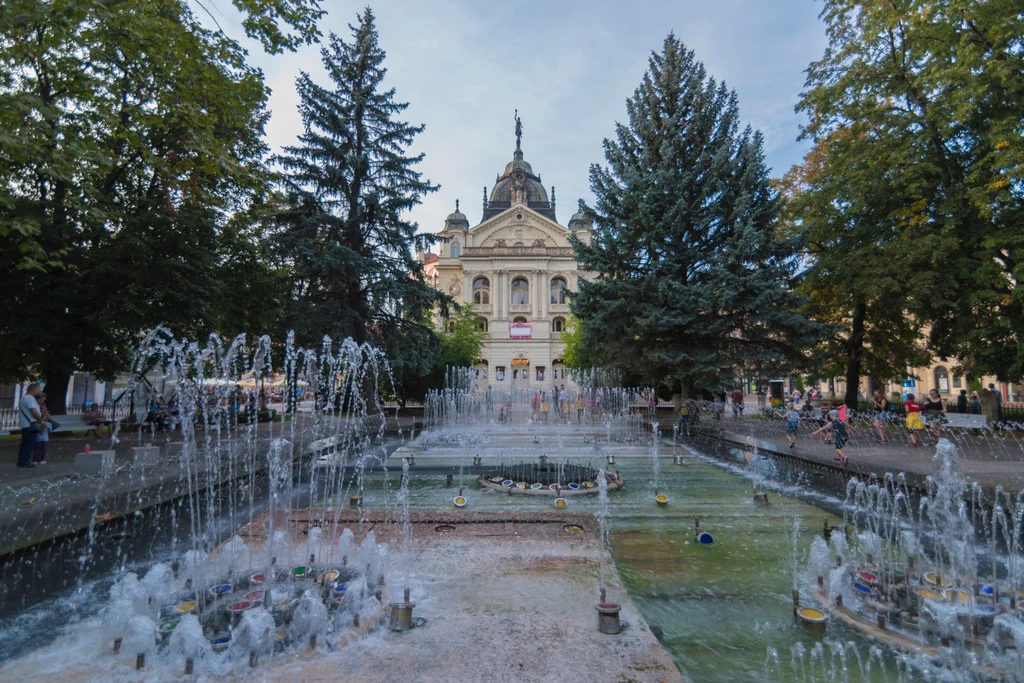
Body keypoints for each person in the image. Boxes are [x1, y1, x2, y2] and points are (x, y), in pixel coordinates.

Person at [17, 383, 46, 469]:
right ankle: (24, 462)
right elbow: (33, 411)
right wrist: (40, 420)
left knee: (25, 443)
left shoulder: (24, 398)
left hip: (26, 424)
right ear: (34, 389)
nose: (39, 391)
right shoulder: (30, 398)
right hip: (30, 424)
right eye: (38, 389)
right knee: (29, 444)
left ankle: (21, 461)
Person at [33, 393, 53, 465]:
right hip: (39, 421)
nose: (42, 401)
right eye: (41, 400)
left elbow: (45, 412)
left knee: (37, 448)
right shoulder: (34, 405)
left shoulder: (43, 405)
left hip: (38, 435)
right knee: (41, 448)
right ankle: (41, 459)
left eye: (43, 400)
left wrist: (45, 414)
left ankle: (36, 460)